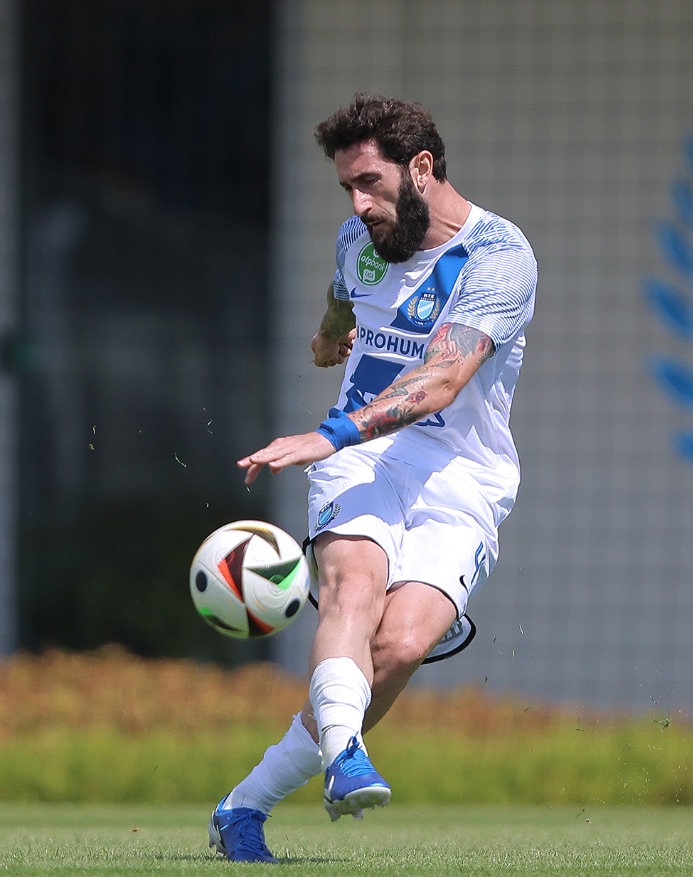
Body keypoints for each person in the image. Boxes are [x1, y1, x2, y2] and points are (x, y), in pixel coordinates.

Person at [208, 93, 538, 863]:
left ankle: (243, 804)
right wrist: (329, 340)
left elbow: (442, 381)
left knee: (400, 645)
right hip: (362, 456)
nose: (358, 205)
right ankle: (346, 755)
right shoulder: (358, 238)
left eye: (370, 183)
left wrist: (323, 434)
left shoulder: (499, 257)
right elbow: (341, 295)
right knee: (353, 588)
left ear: (420, 168)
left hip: (461, 474)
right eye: (347, 188)